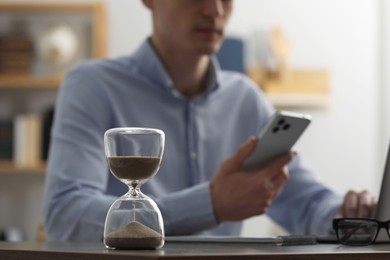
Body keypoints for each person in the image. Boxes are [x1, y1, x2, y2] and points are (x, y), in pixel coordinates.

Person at [42, 0, 376, 241]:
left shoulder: (246, 98)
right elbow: (65, 217)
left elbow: (304, 201)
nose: (214, 10)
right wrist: (210, 204)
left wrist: (352, 216)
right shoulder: (92, 87)